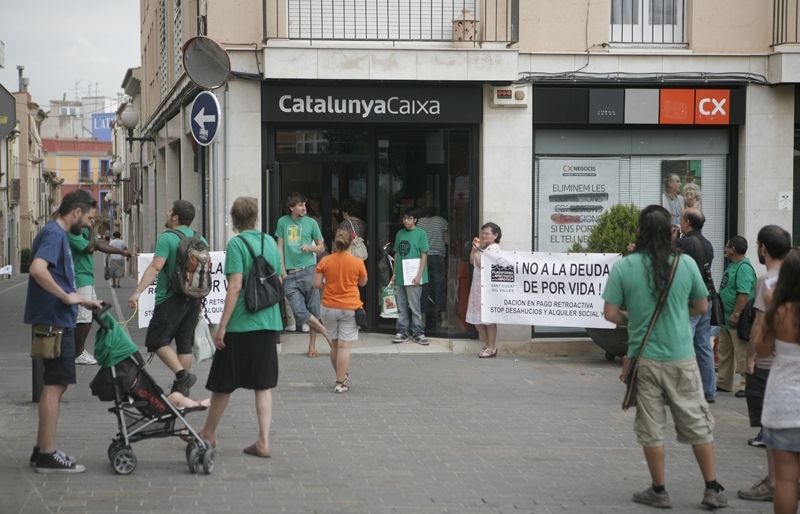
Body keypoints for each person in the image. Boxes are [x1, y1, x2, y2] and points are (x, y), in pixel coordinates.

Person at [603, 205, 726, 510]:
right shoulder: (685, 265)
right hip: (681, 357)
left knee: (651, 427)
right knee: (697, 422)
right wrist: (675, 313)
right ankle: (711, 488)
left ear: (639, 232)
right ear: (671, 232)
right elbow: (701, 306)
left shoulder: (624, 267)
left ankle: (659, 490)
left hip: (644, 359)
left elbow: (609, 313)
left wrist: (634, 317)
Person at [25, 189, 103, 473]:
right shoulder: (55, 234)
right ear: (76, 211)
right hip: (54, 320)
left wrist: (82, 299)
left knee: (57, 384)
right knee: (54, 385)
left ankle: (41, 449)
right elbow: (37, 269)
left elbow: (54, 274)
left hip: (57, 318)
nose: (88, 224)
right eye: (89, 218)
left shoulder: (54, 233)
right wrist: (67, 297)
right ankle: (47, 454)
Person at [201, 197, 283, 459]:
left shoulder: (236, 244)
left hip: (241, 324)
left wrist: (221, 326)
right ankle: (263, 441)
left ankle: (209, 434)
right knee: (263, 384)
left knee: (223, 383)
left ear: (234, 218)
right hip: (269, 322)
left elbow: (235, 286)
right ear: (256, 216)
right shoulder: (269, 241)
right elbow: (280, 278)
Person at [737, 225, 792, 503]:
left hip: (770, 363)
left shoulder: (767, 282)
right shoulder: (794, 279)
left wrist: (749, 358)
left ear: (763, 248)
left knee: (769, 428)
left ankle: (773, 482)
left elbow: (760, 323)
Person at [128, 200, 204, 397]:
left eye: (169, 210)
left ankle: (182, 376)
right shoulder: (199, 238)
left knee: (156, 340)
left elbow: (155, 267)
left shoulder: (167, 238)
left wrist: (137, 292)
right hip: (193, 298)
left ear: (176, 217)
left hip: (170, 298)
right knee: (184, 342)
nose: (166, 212)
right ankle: (182, 389)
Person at [756, 249, 800, 514]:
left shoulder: (779, 311)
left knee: (785, 479)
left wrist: (770, 309)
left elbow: (761, 350)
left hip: (783, 403)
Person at [275, 192, 332, 358]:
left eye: (304, 204)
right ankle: (327, 334)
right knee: (299, 312)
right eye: (300, 205)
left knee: (313, 309)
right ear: (291, 207)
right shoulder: (282, 222)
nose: (304, 207)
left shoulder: (311, 223)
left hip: (308, 270)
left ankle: (312, 345)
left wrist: (310, 248)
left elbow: (322, 247)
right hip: (290, 275)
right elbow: (279, 247)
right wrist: (282, 270)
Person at [69, 218, 132, 365]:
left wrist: (122, 252)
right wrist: (91, 228)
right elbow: (90, 247)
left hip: (87, 277)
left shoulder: (83, 230)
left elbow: (97, 244)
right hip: (80, 277)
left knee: (90, 315)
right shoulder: (73, 230)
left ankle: (78, 351)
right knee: (82, 318)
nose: (92, 220)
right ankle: (77, 353)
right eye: (89, 217)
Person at [314, 229, 368, 393]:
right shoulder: (357, 262)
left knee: (335, 346)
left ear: (335, 243)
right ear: (350, 243)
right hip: (350, 306)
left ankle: (340, 376)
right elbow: (363, 282)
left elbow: (316, 284)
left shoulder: (325, 261)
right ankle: (340, 382)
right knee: (345, 347)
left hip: (329, 306)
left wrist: (329, 286)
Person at [675, 208, 717, 403]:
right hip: (706, 298)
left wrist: (672, 240)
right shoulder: (708, 244)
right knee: (703, 345)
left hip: (690, 301)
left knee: (682, 344)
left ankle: (682, 390)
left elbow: (668, 262)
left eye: (681, 219)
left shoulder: (684, 243)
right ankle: (709, 390)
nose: (679, 221)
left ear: (688, 223)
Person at [716, 236, 756, 396]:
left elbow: (743, 293)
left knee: (741, 352)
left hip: (737, 318)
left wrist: (736, 314)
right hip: (725, 318)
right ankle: (724, 382)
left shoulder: (744, 268)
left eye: (727, 246)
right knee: (725, 351)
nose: (725, 249)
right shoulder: (733, 265)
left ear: (733, 249)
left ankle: (746, 384)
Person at [390, 208, 429, 345]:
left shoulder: (421, 233)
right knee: (401, 305)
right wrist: (394, 273)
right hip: (401, 273)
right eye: (405, 218)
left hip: (414, 275)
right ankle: (402, 330)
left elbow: (424, 254)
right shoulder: (399, 233)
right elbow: (396, 253)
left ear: (415, 220)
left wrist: (419, 275)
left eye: (409, 218)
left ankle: (418, 331)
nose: (406, 221)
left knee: (414, 305)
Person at [466, 222, 502, 358]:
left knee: (488, 319)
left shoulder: (494, 248)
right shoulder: (484, 248)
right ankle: (488, 344)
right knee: (477, 319)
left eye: (487, 233)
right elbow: (472, 261)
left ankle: (491, 347)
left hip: (487, 288)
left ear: (495, 235)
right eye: (483, 233)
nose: (484, 235)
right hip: (477, 287)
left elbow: (483, 265)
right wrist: (475, 250)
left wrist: (477, 252)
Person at [417, 207, 449, 330]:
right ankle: (443, 319)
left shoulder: (419, 222)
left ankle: (423, 319)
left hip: (423, 256)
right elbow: (447, 240)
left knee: (423, 287)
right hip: (437, 256)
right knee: (439, 287)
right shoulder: (442, 221)